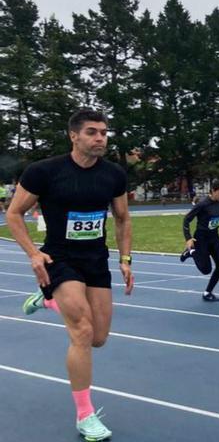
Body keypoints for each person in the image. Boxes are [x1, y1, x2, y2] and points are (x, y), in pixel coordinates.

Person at [8, 109, 134, 441]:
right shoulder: (44, 172)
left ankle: (48, 300)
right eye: (92, 132)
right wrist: (34, 254)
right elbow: (14, 213)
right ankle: (85, 415)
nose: (100, 138)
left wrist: (125, 259)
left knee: (99, 337)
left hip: (95, 259)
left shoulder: (114, 175)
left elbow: (122, 218)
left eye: (104, 132)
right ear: (73, 136)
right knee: (82, 330)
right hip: (59, 257)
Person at [181, 179, 219, 301]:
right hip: (201, 239)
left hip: (214, 238)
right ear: (213, 191)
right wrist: (188, 238)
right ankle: (191, 252)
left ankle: (207, 293)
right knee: (206, 270)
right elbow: (186, 220)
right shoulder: (202, 204)